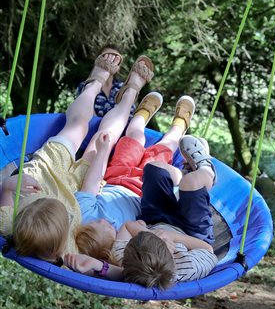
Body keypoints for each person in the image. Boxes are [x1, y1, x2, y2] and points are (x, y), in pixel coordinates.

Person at [0, 49, 154, 263]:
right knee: (105, 139)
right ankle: (130, 94)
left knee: (78, 125)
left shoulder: (10, 225)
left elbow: (6, 200)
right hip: (80, 187)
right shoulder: (68, 251)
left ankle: (94, 83)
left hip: (47, 169)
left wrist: (10, 185)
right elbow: (107, 266)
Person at [65, 135, 218, 289]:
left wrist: (147, 232)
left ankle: (186, 173)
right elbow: (208, 249)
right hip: (192, 232)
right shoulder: (187, 268)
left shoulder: (123, 257)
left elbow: (128, 227)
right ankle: (207, 170)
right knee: (191, 183)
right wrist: (171, 237)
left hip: (155, 221)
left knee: (153, 169)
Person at [74, 93, 197, 262]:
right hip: (143, 189)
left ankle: (142, 113)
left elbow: (91, 184)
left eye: (97, 223)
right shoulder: (125, 238)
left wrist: (103, 151)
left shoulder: (84, 215)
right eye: (109, 226)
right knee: (164, 148)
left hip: (116, 177)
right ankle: (180, 125)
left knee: (135, 137)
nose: (104, 220)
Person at [75, 44, 135, 117]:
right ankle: (95, 84)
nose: (109, 62)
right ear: (97, 62)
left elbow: (129, 115)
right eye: (105, 58)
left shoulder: (124, 89)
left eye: (114, 59)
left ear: (118, 67)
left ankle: (95, 84)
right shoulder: (83, 86)